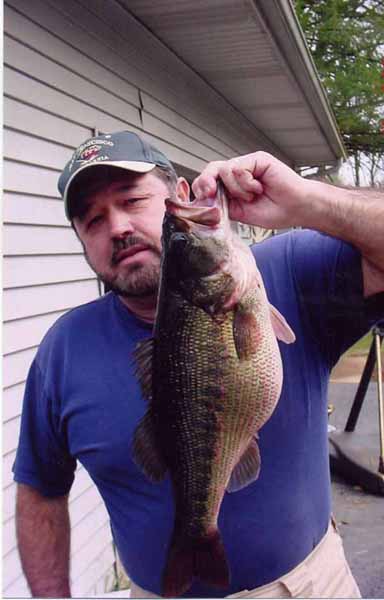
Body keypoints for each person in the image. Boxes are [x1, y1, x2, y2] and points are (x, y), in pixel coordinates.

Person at [13, 130, 384, 599]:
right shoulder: (62, 351)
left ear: (180, 196)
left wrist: (307, 202)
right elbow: (39, 488)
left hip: (310, 587)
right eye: (92, 220)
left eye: (132, 200)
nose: (118, 227)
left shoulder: (290, 270)